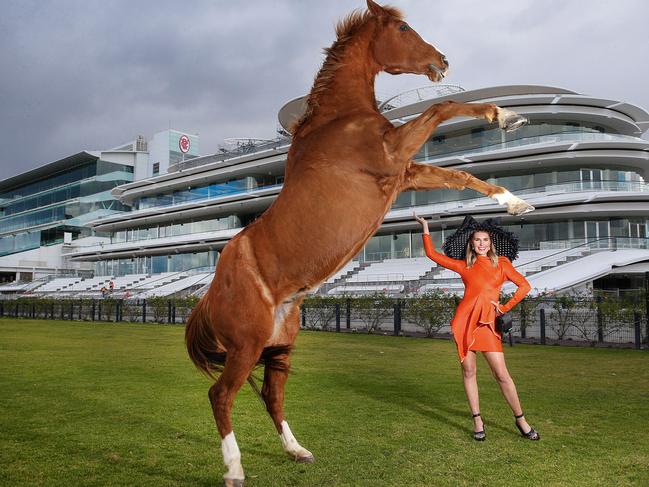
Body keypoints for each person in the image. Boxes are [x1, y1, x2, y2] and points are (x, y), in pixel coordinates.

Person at [414, 213, 540, 441]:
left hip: (489, 324)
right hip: (466, 323)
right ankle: (477, 421)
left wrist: (503, 307)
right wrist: (425, 227)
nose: (482, 244)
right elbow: (432, 254)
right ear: (471, 243)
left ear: (491, 243)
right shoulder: (464, 266)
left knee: (502, 375)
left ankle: (521, 419)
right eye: (477, 240)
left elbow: (525, 286)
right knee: (469, 371)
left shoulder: (502, 264)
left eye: (485, 240)